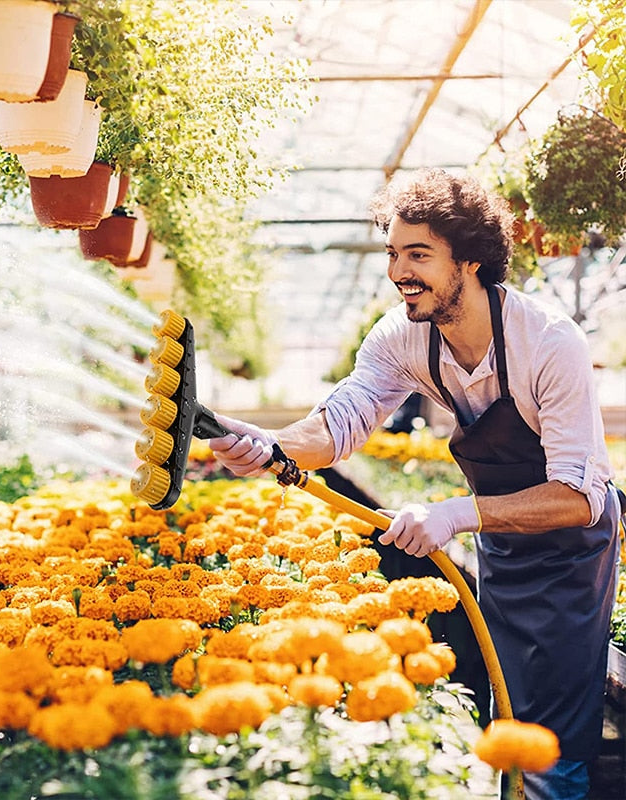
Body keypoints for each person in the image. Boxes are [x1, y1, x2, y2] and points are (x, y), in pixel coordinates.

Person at [209, 168, 623, 800]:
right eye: (393, 254)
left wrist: (457, 514)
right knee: (506, 707)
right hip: (503, 548)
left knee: (556, 733)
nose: (400, 270)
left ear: (475, 259)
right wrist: (271, 447)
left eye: (419, 255)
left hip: (572, 551)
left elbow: (577, 495)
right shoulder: (402, 337)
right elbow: (342, 421)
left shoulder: (548, 343)